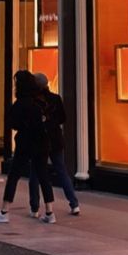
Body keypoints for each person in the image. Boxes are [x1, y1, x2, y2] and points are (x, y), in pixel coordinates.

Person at [0, 70, 55, 224]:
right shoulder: (38, 101)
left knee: (14, 175)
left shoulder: (19, 104)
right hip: (41, 141)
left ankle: (4, 211)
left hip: (25, 142)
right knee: (43, 175)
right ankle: (50, 212)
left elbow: (12, 123)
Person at [28, 72, 80, 217]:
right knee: (61, 170)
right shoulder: (56, 98)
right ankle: (74, 203)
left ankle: (34, 208)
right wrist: (52, 123)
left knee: (35, 173)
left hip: (39, 140)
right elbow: (63, 118)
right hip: (56, 139)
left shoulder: (33, 101)